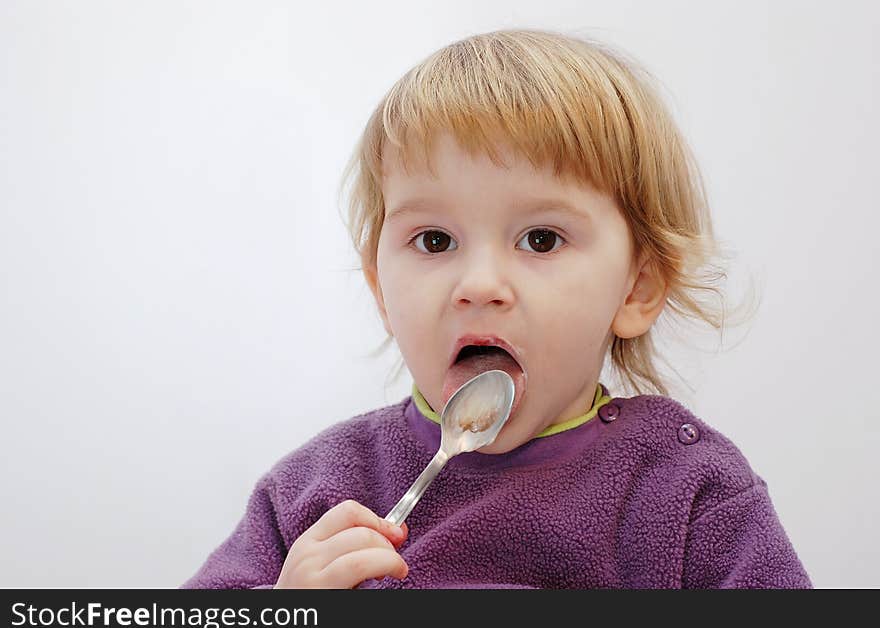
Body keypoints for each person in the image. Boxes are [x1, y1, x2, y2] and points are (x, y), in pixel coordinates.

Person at [182, 28, 812, 589]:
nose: (479, 284)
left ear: (636, 289)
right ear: (380, 291)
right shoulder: (314, 493)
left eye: (540, 239)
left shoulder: (688, 491)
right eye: (435, 241)